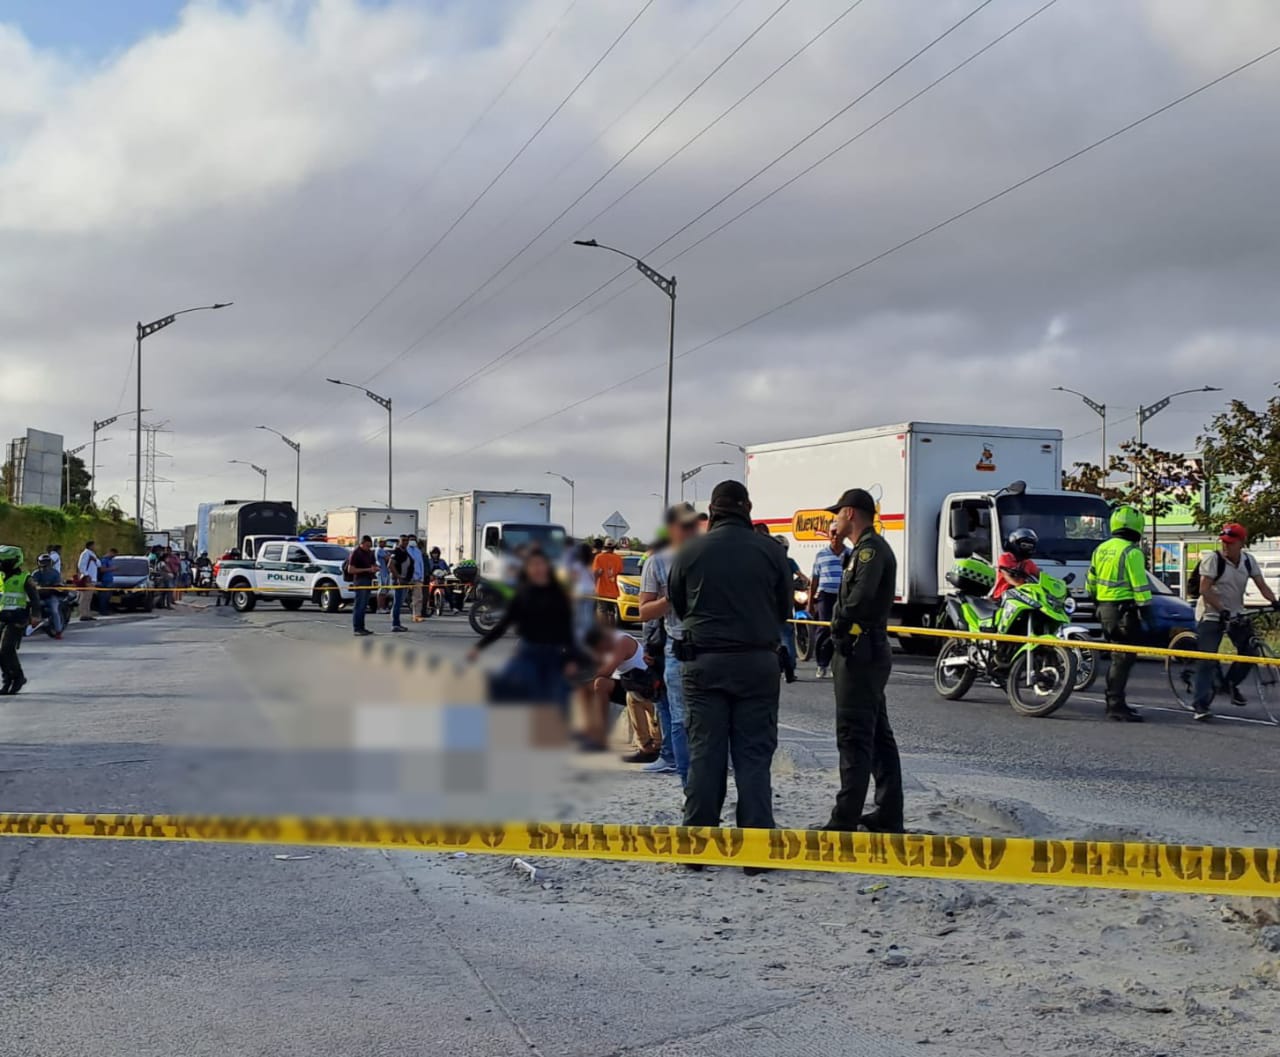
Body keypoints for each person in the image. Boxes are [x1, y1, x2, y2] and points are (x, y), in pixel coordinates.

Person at [668, 480, 791, 858]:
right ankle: (756, 848)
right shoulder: (771, 551)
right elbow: (784, 609)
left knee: (705, 755)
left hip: (703, 663)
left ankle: (697, 845)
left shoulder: (690, 551)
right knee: (753, 757)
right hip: (757, 663)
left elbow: (678, 604)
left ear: (712, 510)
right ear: (748, 508)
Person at [816, 488, 904, 834]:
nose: (835, 520)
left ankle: (845, 817)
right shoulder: (863, 550)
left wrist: (838, 626)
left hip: (860, 648)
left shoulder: (870, 551)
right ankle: (888, 812)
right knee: (877, 735)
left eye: (838, 514)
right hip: (864, 647)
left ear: (850, 513)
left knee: (853, 735)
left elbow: (860, 598)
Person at [638, 503, 707, 784]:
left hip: (714, 647)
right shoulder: (657, 562)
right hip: (678, 646)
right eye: (683, 525)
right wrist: (671, 598)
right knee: (680, 717)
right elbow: (644, 611)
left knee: (709, 718)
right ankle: (689, 785)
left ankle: (708, 782)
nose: (689, 531)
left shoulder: (712, 556)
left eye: (692, 525)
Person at [470, 547, 578, 717]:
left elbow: (567, 628)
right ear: (528, 569)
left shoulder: (558, 595)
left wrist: (571, 659)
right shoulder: (523, 594)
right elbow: (503, 624)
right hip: (528, 652)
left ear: (547, 567)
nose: (537, 568)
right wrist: (479, 647)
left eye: (540, 564)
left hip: (553, 654)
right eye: (532, 565)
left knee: (558, 703)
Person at [1191, 522, 1280, 721]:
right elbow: (1204, 589)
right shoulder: (1213, 560)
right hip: (1211, 614)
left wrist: (1274, 602)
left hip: (1236, 613)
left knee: (1250, 651)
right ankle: (1200, 705)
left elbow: (1261, 585)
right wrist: (1221, 610)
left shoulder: (1248, 561)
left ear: (1241, 543)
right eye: (1223, 541)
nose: (1225, 546)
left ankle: (1230, 684)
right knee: (1207, 659)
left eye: (1230, 543)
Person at [1085, 505, 1151, 723]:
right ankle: (1115, 704)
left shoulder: (1101, 549)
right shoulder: (1132, 552)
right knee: (1123, 659)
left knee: (1117, 657)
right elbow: (1140, 587)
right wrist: (1147, 612)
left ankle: (1116, 701)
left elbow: (1090, 582)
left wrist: (1098, 603)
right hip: (1124, 611)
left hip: (1104, 609)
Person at [580, 625, 662, 759]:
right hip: (628, 683)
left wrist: (584, 675)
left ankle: (649, 746)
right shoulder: (603, 646)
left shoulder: (622, 641)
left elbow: (607, 671)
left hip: (645, 685)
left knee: (602, 683)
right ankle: (598, 734)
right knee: (595, 685)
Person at [0, 546, 42, 694]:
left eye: (5, 561)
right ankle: (7, 680)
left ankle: (17, 678)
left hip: (17, 618)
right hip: (2, 616)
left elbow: (35, 598)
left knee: (6, 648)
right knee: (2, 652)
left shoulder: (25, 578)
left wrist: (36, 615)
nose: (2, 564)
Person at [810, 525, 850, 679]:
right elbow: (815, 580)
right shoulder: (821, 555)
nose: (835, 536)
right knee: (825, 629)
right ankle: (822, 664)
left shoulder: (850, 554)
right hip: (825, 596)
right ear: (828, 535)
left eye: (838, 533)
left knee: (841, 630)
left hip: (843, 596)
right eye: (832, 533)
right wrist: (810, 603)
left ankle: (837, 664)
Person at [776, 536, 808, 684]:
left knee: (773, 638)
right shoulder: (789, 562)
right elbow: (803, 577)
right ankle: (790, 670)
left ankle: (776, 669)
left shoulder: (771, 562)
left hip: (770, 605)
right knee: (787, 636)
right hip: (786, 605)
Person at [992, 527, 1040, 599]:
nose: (1027, 549)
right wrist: (1022, 584)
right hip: (1002, 597)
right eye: (1024, 545)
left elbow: (1040, 576)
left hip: (1022, 597)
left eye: (1030, 546)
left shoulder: (1028, 563)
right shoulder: (1006, 557)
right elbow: (1009, 578)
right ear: (1014, 544)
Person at [347, 536, 378, 636]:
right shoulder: (356, 553)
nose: (369, 548)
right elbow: (350, 570)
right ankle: (357, 628)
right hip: (360, 581)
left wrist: (375, 568)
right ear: (362, 544)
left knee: (364, 606)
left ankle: (362, 627)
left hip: (368, 580)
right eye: (367, 546)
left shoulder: (370, 553)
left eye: (370, 546)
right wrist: (367, 570)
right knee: (359, 605)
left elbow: (373, 564)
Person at [30, 553, 66, 639]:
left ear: (50, 563)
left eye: (47, 562)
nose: (45, 564)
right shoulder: (36, 573)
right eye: (43, 562)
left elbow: (59, 584)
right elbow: (32, 584)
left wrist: (54, 586)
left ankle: (58, 631)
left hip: (51, 596)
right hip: (38, 596)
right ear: (39, 563)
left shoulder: (55, 573)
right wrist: (37, 587)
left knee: (54, 611)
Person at [592, 538, 623, 624]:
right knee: (611, 612)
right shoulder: (618, 558)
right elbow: (619, 572)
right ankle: (611, 630)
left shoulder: (599, 557)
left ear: (605, 546)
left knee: (602, 611)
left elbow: (596, 573)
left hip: (601, 590)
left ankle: (604, 629)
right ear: (614, 547)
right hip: (613, 591)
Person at [388, 536, 412, 632]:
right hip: (398, 581)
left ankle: (396, 623)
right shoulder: (397, 552)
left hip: (405, 581)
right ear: (399, 542)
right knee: (397, 603)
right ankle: (395, 624)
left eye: (407, 540)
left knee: (400, 602)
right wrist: (398, 577)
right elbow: (390, 565)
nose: (406, 542)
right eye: (403, 540)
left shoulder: (405, 552)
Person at [76, 540, 100, 622]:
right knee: (84, 597)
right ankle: (83, 614)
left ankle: (87, 613)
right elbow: (81, 566)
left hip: (93, 578)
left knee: (89, 598)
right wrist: (86, 574)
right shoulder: (85, 554)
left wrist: (94, 559)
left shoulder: (92, 554)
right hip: (88, 578)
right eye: (94, 545)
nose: (95, 547)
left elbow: (99, 564)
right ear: (90, 546)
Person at [407, 537, 426, 621]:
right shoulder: (406, 550)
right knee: (402, 597)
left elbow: (421, 564)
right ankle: (395, 615)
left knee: (418, 597)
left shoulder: (418, 551)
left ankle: (417, 615)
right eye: (411, 540)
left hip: (417, 578)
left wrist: (422, 577)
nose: (412, 541)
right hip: (407, 578)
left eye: (414, 540)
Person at [96, 548, 117, 615]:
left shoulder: (110, 560)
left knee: (108, 597)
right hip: (105, 581)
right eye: (114, 554)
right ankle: (103, 611)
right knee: (103, 597)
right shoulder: (104, 560)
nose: (114, 556)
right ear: (111, 552)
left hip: (109, 581)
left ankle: (107, 610)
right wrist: (112, 569)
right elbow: (102, 570)